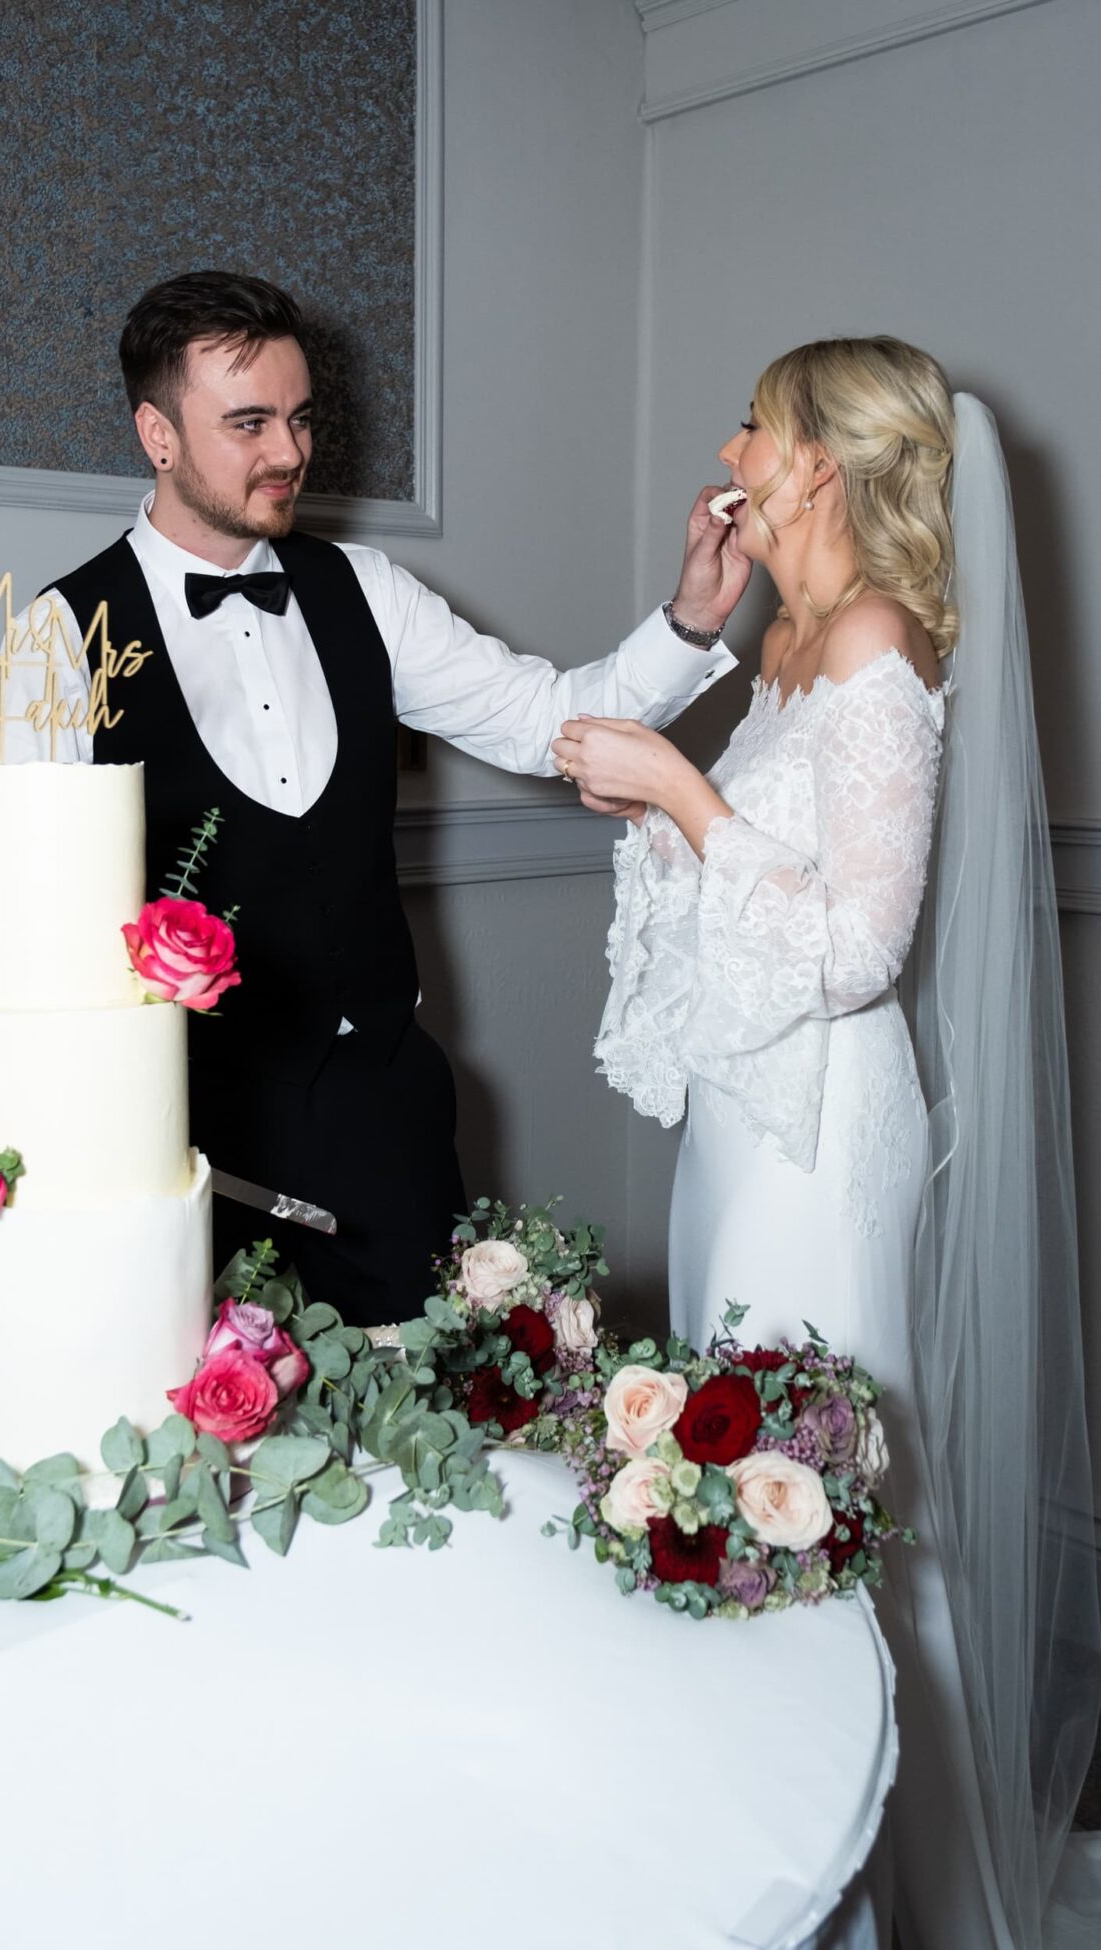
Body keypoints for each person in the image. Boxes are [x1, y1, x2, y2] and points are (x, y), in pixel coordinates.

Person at [553, 338, 1099, 1950]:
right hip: (744, 1119)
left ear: (825, 463)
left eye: (760, 420)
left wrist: (683, 795)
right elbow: (750, 886)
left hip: (821, 1128)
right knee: (741, 1448)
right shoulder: (784, 635)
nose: (730, 437)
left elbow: (859, 943)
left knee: (831, 1488)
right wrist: (661, 800)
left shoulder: (874, 637)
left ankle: (876, 1890)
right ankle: (779, 1835)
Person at [0, 269, 738, 1327]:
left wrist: (692, 616)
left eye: (298, 418)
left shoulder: (368, 589)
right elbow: (35, 942)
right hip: (184, 1135)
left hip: (385, 1113)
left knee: (432, 1438)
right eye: (247, 423)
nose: (289, 453)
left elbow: (551, 723)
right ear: (157, 434)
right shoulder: (59, 639)